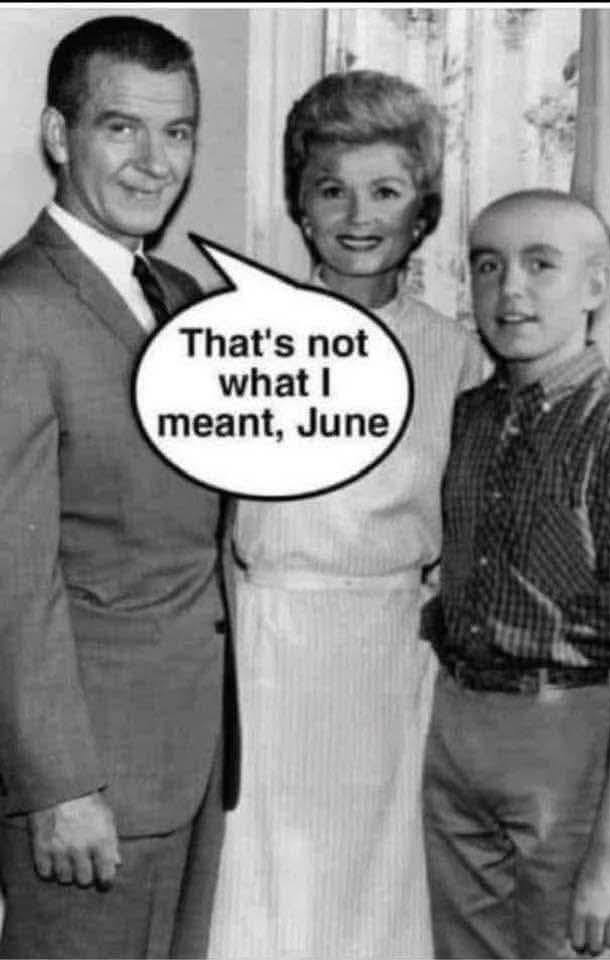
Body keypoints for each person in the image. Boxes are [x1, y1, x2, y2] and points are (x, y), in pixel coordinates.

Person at [208, 70, 485, 959]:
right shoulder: (235, 335)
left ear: (423, 210)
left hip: (391, 659)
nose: (358, 217)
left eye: (386, 192)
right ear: (301, 205)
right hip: (266, 653)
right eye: (332, 190)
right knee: (263, 897)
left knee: (375, 901)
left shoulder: (457, 358)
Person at [0, 15, 238, 960]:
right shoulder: (15, 311)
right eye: (121, 128)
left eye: (176, 132)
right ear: (59, 136)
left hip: (190, 758)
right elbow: (13, 581)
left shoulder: (185, 296)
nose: (155, 162)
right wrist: (59, 784)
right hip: (87, 786)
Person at [421, 188, 610, 959]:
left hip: (574, 733)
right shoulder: (467, 417)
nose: (510, 289)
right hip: (459, 725)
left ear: (596, 285)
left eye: (540, 265)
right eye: (488, 266)